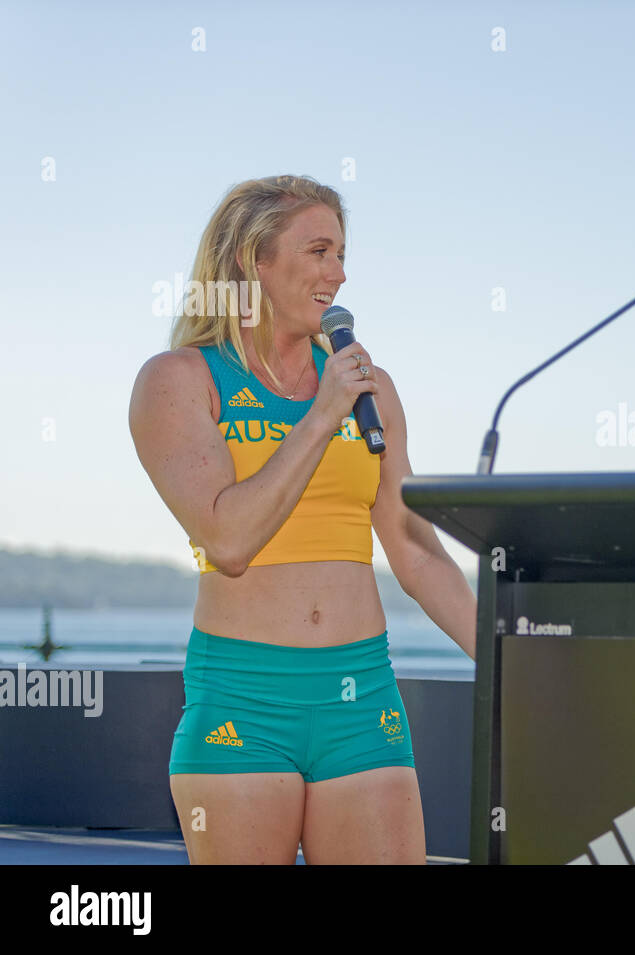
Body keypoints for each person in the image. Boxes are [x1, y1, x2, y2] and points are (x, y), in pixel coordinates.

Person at [128, 175, 476, 864]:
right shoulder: (178, 380)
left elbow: (416, 553)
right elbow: (228, 538)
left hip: (361, 696)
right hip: (242, 701)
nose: (339, 274)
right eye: (318, 250)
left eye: (342, 254)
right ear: (250, 259)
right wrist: (322, 414)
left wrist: (508, 664)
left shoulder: (369, 388)